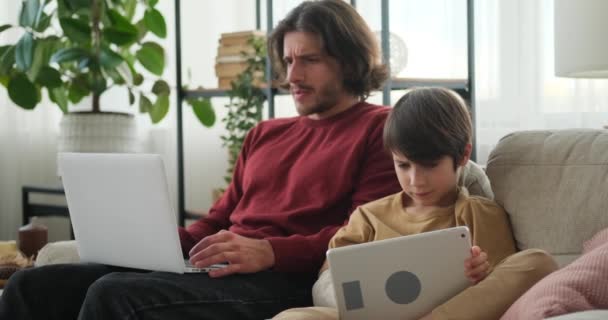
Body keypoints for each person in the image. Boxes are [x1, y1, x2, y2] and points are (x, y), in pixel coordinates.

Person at [0, 1, 404, 319]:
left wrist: (270, 251)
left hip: (283, 278)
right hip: (221, 269)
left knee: (114, 295)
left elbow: (360, 235)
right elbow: (218, 219)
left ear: (349, 60)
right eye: (289, 60)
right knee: (31, 287)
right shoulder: (266, 133)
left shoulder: (381, 130)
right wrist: (148, 241)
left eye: (309, 60)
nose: (293, 74)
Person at [273, 87, 559, 320]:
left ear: (462, 156)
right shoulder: (368, 217)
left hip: (448, 314)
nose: (415, 180)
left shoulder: (476, 213)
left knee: (538, 261)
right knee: (293, 316)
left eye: (429, 165)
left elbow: (498, 290)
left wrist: (480, 274)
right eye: (403, 165)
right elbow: (327, 279)